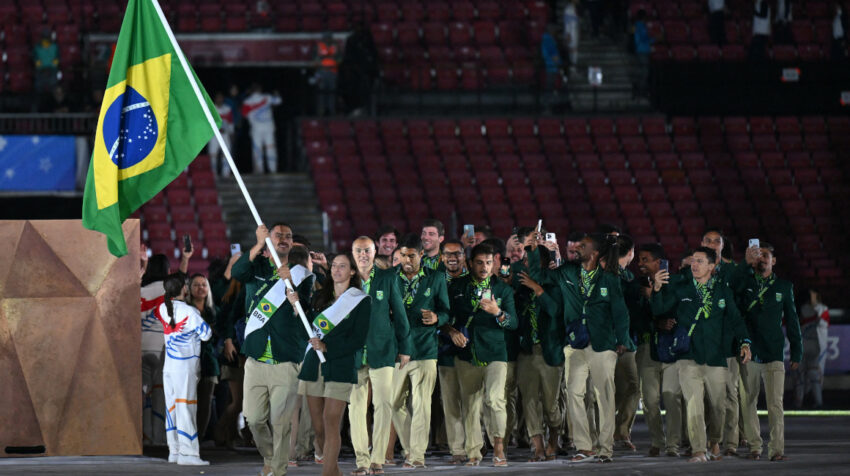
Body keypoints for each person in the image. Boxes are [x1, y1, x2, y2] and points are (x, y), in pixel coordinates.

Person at [528, 233, 633, 463]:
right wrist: (533, 251)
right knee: (574, 393)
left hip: (603, 344)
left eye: (582, 246)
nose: (576, 247)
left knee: (604, 396)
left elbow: (620, 311)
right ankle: (584, 447)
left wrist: (622, 339)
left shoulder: (609, 278)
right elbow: (539, 275)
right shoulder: (567, 272)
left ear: (594, 253)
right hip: (575, 344)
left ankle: (605, 448)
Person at [651, 247, 752, 463]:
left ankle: (714, 440)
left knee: (718, 406)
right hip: (688, 356)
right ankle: (698, 449)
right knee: (694, 403)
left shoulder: (722, 291)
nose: (694, 265)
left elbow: (735, 319)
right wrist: (658, 289)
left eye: (699, 261)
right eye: (692, 261)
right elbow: (659, 310)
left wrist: (745, 342)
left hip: (716, 357)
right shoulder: (682, 288)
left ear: (711, 266)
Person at [292, 253, 371, 476]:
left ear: (352, 272)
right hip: (312, 366)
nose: (336, 270)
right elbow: (305, 333)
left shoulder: (360, 300)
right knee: (319, 428)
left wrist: (328, 348)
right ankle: (333, 470)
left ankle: (328, 473)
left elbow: (358, 339)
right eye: (334, 266)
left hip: (340, 366)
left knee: (331, 420)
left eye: (342, 266)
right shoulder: (319, 297)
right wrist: (297, 311)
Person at [446, 243, 517, 467]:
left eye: (488, 262)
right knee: (470, 404)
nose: (484, 267)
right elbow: (444, 316)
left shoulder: (503, 289)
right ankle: (474, 452)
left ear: (494, 263)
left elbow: (514, 323)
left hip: (496, 352)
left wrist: (499, 313)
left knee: (496, 400)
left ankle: (498, 447)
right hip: (467, 353)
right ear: (470, 264)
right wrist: (451, 331)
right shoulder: (456, 286)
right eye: (479, 262)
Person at [349, 237, 410, 475]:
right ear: (352, 253)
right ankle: (361, 461)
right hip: (353, 354)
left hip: (383, 351)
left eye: (367, 250)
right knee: (355, 409)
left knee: (383, 405)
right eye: (358, 250)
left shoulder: (387, 278)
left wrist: (405, 347)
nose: (363, 254)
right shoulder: (348, 281)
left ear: (375, 253)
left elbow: (400, 314)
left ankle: (377, 459)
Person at [391, 234, 451, 469]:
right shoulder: (389, 278)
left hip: (425, 349)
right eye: (403, 255)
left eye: (411, 255)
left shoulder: (436, 278)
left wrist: (438, 318)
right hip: (397, 351)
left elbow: (446, 311)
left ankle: (416, 456)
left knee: (422, 404)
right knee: (394, 403)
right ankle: (409, 448)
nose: (407, 260)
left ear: (421, 255)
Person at [737, 243, 802, 461]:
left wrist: (797, 352)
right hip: (750, 352)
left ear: (774, 261)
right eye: (758, 255)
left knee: (775, 404)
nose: (762, 259)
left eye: (766, 256)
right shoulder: (744, 283)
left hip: (774, 352)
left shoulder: (784, 286)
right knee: (748, 402)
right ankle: (755, 446)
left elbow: (793, 321)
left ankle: (776, 450)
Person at [512, 228, 565, 461]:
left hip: (549, 351)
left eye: (530, 258)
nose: (525, 263)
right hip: (526, 352)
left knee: (552, 405)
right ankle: (539, 447)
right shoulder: (520, 287)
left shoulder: (556, 282)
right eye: (524, 259)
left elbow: (555, 311)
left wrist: (538, 289)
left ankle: (555, 436)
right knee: (530, 400)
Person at [155, 274, 212, 465]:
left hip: (169, 368)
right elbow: (206, 335)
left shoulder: (163, 308)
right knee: (186, 408)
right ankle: (188, 454)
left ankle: (175, 451)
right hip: (185, 368)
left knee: (171, 408)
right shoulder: (190, 311)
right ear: (184, 289)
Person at [635, 243, 684, 457]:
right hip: (647, 347)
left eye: (645, 260)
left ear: (659, 262)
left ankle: (673, 444)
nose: (640, 264)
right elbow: (635, 317)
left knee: (671, 396)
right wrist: (655, 324)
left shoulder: (675, 284)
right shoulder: (636, 286)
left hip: (671, 347)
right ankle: (657, 440)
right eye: (639, 260)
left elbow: (678, 312)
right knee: (649, 399)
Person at [141, 250, 191, 446]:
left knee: (143, 393)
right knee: (162, 393)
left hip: (141, 347)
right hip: (164, 349)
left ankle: (144, 437)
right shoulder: (170, 290)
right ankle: (160, 437)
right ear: (168, 270)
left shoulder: (141, 291)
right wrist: (186, 259)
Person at [436, 238, 469, 465]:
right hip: (445, 350)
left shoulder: (474, 281)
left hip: (471, 350)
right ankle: (457, 449)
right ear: (441, 257)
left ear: (463, 256)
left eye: (457, 254)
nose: (452, 258)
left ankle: (476, 442)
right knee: (450, 402)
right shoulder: (436, 281)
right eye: (448, 254)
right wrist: (449, 330)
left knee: (473, 401)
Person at [186, 274, 220, 445]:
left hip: (208, 362)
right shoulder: (184, 309)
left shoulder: (214, 311)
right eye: (196, 285)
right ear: (189, 289)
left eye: (203, 285)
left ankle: (199, 438)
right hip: (187, 363)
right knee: (188, 402)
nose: (200, 288)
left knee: (205, 402)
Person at [613, 236, 640, 451]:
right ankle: (615, 431)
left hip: (626, 339)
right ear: (630, 252)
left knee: (628, 387)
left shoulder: (628, 276)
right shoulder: (616, 276)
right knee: (629, 387)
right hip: (619, 341)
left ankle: (620, 431)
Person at [795, 289, 829, 408]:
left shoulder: (822, 308)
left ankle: (817, 402)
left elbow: (822, 320)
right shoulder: (804, 308)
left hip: (813, 346)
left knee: (813, 374)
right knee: (801, 375)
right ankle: (799, 402)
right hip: (804, 344)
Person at [241, 83, 282, 174]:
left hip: (256, 129)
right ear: (260, 89)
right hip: (268, 128)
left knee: (257, 149)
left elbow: (244, 114)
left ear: (251, 90)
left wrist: (253, 113)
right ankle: (273, 169)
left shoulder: (247, 101)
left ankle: (259, 169)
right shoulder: (267, 97)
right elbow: (279, 100)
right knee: (270, 148)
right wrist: (276, 94)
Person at [207, 92, 235, 177]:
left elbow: (230, 122)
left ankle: (226, 173)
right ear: (215, 99)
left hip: (225, 135)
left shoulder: (227, 109)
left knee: (226, 154)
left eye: (221, 98)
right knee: (213, 154)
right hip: (214, 136)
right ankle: (213, 174)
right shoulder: (211, 109)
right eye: (218, 98)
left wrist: (231, 133)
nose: (220, 99)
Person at [314, 32, 340, 116]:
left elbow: (340, 58)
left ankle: (331, 110)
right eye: (326, 37)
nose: (328, 39)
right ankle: (321, 111)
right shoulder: (319, 46)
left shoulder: (335, 46)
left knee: (332, 91)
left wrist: (335, 63)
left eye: (329, 37)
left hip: (333, 71)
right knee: (322, 91)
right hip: (322, 72)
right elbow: (315, 58)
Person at [540, 24, 564, 113]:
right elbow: (554, 55)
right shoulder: (549, 41)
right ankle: (547, 107)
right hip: (551, 67)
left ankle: (548, 107)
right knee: (550, 88)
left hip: (550, 67)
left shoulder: (546, 40)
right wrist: (559, 64)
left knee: (550, 88)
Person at [633, 10, 654, 97]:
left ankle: (640, 90)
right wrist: (655, 39)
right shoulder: (640, 26)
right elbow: (643, 38)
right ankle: (640, 91)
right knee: (644, 72)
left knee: (643, 72)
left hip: (642, 51)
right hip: (642, 51)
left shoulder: (638, 26)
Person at [33, 29, 58, 93]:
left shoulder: (55, 47)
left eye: (47, 37)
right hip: (41, 72)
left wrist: (51, 68)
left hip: (52, 71)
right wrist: (42, 69)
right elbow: (36, 61)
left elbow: (56, 60)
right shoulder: (37, 48)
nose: (46, 39)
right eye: (45, 37)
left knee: (53, 83)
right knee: (39, 84)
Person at [563, 0, 580, 75]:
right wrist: (567, 34)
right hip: (571, 33)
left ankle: (573, 67)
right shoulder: (569, 9)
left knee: (574, 50)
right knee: (572, 50)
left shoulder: (575, 8)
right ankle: (571, 68)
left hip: (575, 31)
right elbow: (567, 23)